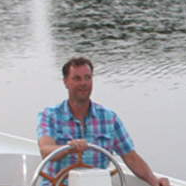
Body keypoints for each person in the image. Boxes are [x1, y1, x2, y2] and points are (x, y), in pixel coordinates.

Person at [36, 57, 170, 186]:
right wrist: (68, 149)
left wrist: (154, 180)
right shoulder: (49, 116)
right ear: (65, 82)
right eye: (76, 78)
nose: (83, 83)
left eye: (87, 78)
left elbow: (130, 157)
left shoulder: (109, 118)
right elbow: (46, 150)